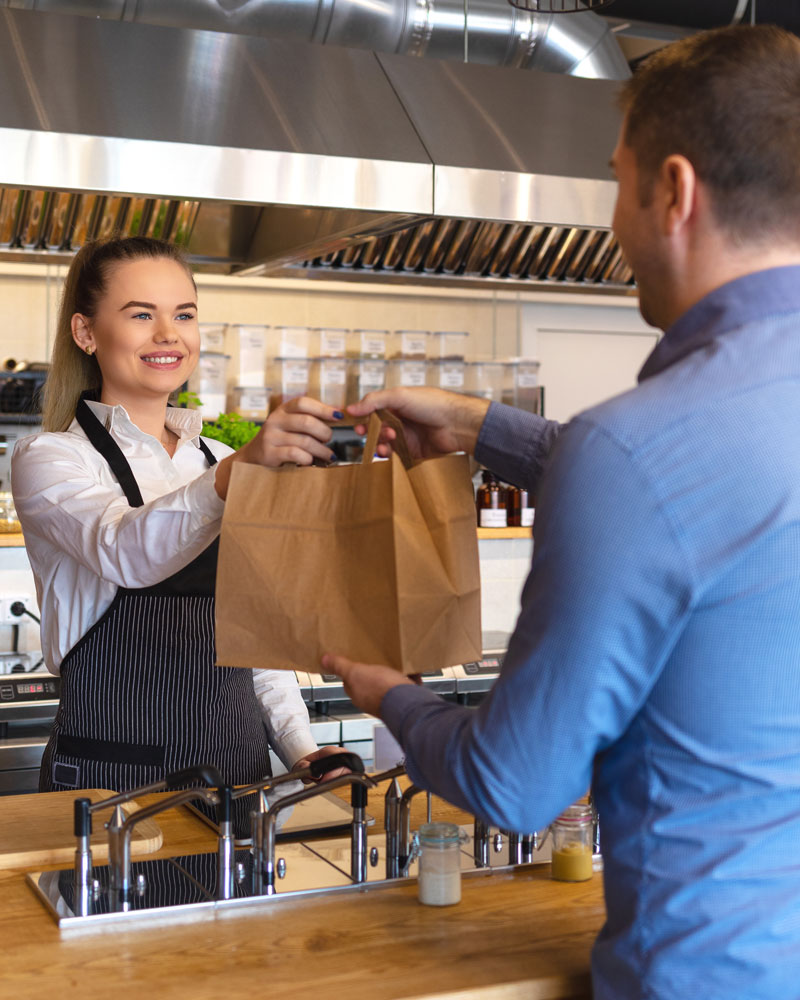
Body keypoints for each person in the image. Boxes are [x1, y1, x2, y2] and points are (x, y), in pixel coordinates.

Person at [323, 24, 800, 1000]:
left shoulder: (635, 449)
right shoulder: (665, 448)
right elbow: (711, 501)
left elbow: (513, 784)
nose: (614, 226)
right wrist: (479, 425)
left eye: (614, 183)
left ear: (671, 192)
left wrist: (382, 691)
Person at [11, 236, 345, 833]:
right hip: (112, 786)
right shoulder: (50, 458)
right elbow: (126, 550)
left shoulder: (215, 459)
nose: (169, 334)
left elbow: (255, 641)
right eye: (142, 314)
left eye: (183, 314)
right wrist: (238, 474)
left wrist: (302, 749)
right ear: (86, 333)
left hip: (237, 778)